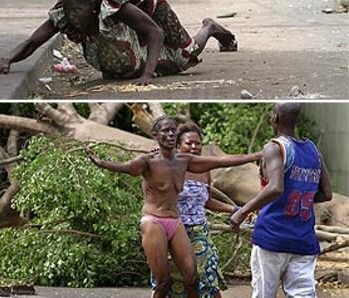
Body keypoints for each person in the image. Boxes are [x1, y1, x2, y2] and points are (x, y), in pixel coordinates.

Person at [87, 116, 262, 298]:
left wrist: (256, 156)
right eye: (165, 131)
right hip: (154, 221)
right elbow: (126, 167)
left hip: (176, 222)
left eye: (172, 130)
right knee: (163, 283)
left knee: (193, 279)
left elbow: (222, 161)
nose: (170, 134)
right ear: (156, 135)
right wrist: (101, 163)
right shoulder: (148, 161)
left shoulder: (184, 161)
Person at [0, 0, 237, 86]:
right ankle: (146, 63)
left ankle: (210, 27)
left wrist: (148, 75)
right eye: (71, 12)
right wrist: (8, 60)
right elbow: (33, 42)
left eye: (79, 12)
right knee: (140, 60)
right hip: (122, 7)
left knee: (183, 56)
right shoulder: (66, 12)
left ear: (93, 8)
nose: (74, 17)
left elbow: (155, 32)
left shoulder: (113, 5)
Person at [230, 103, 333, 298]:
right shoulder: (314, 152)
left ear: (274, 118)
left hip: (272, 236)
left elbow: (276, 187)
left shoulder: (275, 147)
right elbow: (327, 194)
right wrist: (301, 194)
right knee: (303, 295)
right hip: (303, 239)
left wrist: (243, 211)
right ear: (298, 120)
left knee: (264, 294)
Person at [154, 122, 240, 297]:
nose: (194, 147)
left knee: (207, 277)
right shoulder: (167, 166)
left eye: (198, 143)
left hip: (200, 231)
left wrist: (235, 208)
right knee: (169, 282)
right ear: (178, 146)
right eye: (189, 143)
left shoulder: (204, 170)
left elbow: (206, 200)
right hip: (174, 231)